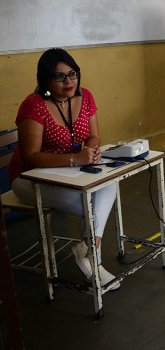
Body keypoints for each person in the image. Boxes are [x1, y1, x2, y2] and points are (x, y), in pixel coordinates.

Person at [9, 48, 120, 290]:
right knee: (91, 202)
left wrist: (90, 151)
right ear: (46, 80)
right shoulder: (34, 105)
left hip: (69, 172)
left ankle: (87, 248)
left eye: (73, 74)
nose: (69, 82)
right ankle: (94, 265)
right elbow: (31, 156)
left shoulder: (86, 96)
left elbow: (94, 136)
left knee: (110, 181)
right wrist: (75, 159)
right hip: (29, 178)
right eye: (60, 77)